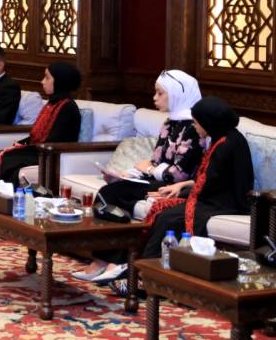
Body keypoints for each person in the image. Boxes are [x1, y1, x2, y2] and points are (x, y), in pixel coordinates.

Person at [108, 97, 253, 297]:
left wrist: (183, 192)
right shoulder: (221, 139)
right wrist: (182, 186)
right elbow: (206, 179)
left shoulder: (228, 144)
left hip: (224, 202)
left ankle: (147, 281)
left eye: (197, 122)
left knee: (168, 218)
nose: (194, 126)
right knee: (162, 212)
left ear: (208, 122)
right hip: (211, 196)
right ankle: (139, 271)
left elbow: (210, 184)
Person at [73, 69, 204, 282]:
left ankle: (114, 261)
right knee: (109, 191)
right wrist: (127, 174)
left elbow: (179, 174)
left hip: (176, 187)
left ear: (177, 94)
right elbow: (155, 160)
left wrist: (148, 170)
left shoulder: (194, 127)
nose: (154, 98)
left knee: (112, 194)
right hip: (156, 180)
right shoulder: (170, 122)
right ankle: (103, 260)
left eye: (160, 93)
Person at [0, 62, 82, 186]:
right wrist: (19, 145)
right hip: (37, 151)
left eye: (47, 78)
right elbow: (35, 135)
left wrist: (21, 149)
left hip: (48, 156)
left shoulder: (68, 108)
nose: (42, 81)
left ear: (60, 81)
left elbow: (54, 142)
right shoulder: (52, 103)